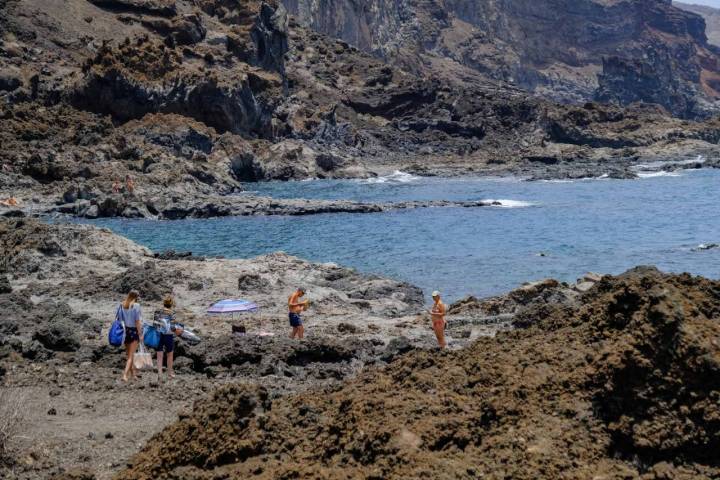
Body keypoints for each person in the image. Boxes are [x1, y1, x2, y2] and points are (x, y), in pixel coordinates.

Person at [119, 290, 143, 382]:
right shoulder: (136, 306)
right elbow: (137, 321)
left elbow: (120, 319)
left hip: (126, 331)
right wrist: (140, 334)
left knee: (128, 354)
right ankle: (125, 375)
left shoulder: (122, 305)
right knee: (131, 356)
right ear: (136, 297)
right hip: (134, 331)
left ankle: (133, 374)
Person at [153, 295, 177, 378]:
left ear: (164, 303)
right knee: (170, 354)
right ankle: (169, 373)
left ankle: (159, 373)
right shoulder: (172, 313)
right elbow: (173, 327)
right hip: (168, 335)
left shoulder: (157, 311)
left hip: (158, 334)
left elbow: (154, 324)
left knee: (159, 354)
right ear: (171, 304)